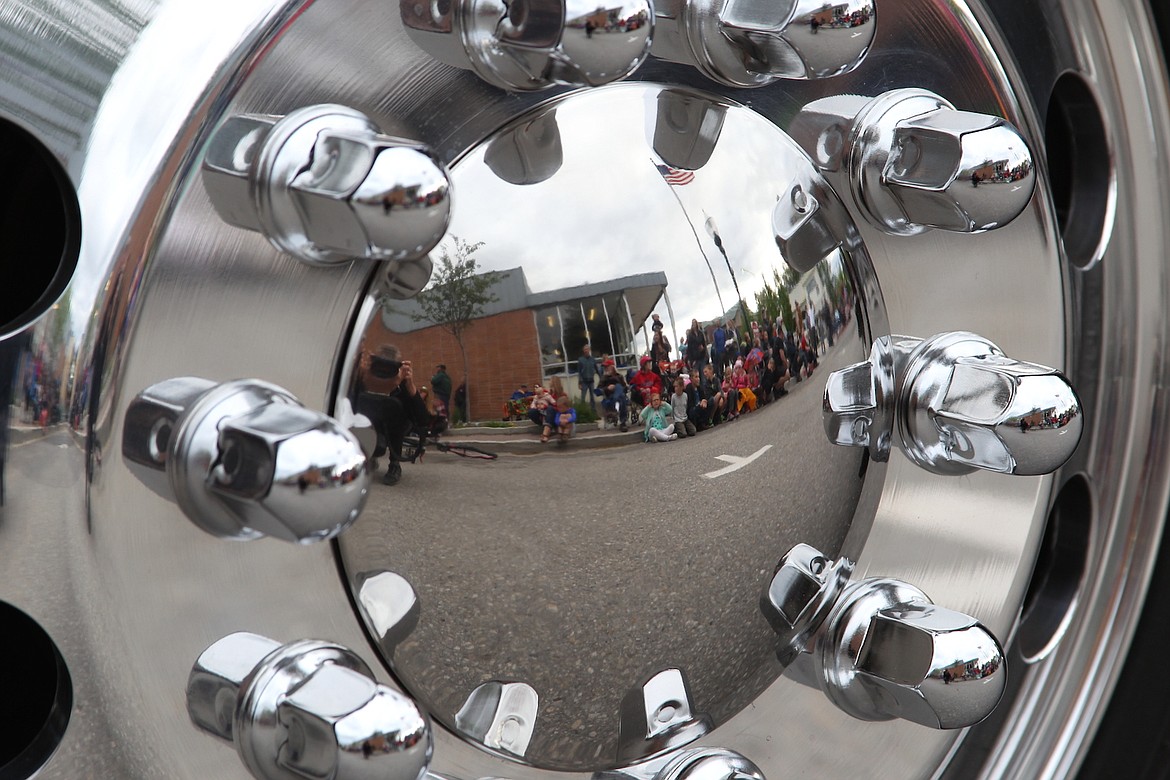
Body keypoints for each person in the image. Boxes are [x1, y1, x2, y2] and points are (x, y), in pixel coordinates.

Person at [354, 344, 428, 486]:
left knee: (395, 408)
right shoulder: (364, 379)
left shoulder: (401, 386)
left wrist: (410, 385)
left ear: (399, 367)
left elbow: (422, 419)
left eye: (389, 367)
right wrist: (359, 375)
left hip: (393, 427)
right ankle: (366, 456)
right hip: (368, 425)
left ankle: (395, 463)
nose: (384, 370)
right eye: (379, 364)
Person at [598, 360, 630, 432]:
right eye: (605, 367)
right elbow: (599, 389)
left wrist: (616, 387)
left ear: (612, 367)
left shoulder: (619, 376)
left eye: (607, 367)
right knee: (621, 398)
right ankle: (623, 423)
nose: (605, 368)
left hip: (619, 396)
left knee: (619, 388)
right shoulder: (604, 378)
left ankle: (615, 410)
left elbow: (625, 388)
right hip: (610, 397)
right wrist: (608, 388)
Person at [577, 344, 601, 410]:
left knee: (592, 397)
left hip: (591, 381)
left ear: (589, 350)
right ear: (583, 350)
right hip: (584, 381)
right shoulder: (580, 360)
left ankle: (593, 412)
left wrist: (601, 378)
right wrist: (579, 383)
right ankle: (582, 411)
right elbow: (579, 372)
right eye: (585, 349)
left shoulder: (592, 359)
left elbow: (597, 369)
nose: (586, 351)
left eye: (587, 349)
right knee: (583, 398)